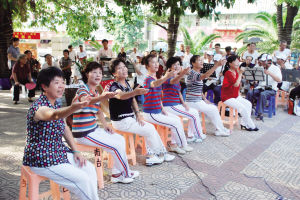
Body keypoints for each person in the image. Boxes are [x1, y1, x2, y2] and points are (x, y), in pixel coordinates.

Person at [23, 67, 99, 200]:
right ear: (44, 87)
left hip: (58, 152)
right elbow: (54, 115)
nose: (62, 86)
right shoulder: (38, 107)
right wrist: (73, 107)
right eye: (57, 82)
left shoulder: (56, 103)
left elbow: (64, 127)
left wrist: (76, 151)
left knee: (89, 168)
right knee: (82, 179)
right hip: (42, 158)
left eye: (63, 82)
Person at [72, 62, 139, 183]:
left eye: (100, 73)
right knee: (115, 146)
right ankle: (125, 174)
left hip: (93, 130)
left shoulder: (96, 92)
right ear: (87, 74)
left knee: (120, 139)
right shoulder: (82, 89)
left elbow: (98, 111)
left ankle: (117, 173)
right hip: (83, 133)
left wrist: (106, 125)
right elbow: (86, 101)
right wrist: (102, 97)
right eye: (94, 72)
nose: (98, 75)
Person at [107, 59, 175, 165]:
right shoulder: (114, 86)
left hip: (129, 118)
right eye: (119, 68)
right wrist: (135, 92)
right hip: (121, 121)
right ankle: (153, 156)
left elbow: (132, 98)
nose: (124, 69)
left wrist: (138, 114)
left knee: (149, 128)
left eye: (124, 66)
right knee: (149, 129)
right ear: (114, 73)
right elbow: (121, 96)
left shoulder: (126, 84)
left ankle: (159, 154)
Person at [142, 54, 193, 154]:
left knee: (177, 120)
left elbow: (158, 96)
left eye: (157, 62)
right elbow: (154, 84)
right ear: (147, 66)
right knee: (175, 123)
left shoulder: (155, 77)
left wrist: (163, 110)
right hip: (151, 114)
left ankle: (179, 144)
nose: (156, 64)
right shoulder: (148, 79)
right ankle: (180, 145)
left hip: (158, 111)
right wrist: (166, 77)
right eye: (153, 62)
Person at [162, 57, 206, 142]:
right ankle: (197, 136)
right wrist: (182, 73)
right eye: (174, 65)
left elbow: (178, 92)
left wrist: (184, 103)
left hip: (176, 105)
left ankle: (194, 135)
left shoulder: (176, 76)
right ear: (170, 67)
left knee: (194, 112)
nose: (177, 66)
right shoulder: (168, 76)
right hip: (170, 106)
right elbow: (173, 81)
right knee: (193, 114)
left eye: (178, 64)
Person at [186, 55, 230, 136]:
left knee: (213, 108)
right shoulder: (192, 73)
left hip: (197, 101)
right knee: (213, 109)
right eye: (199, 60)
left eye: (202, 60)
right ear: (193, 63)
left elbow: (198, 89)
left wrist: (205, 99)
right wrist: (217, 65)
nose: (201, 62)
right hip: (193, 102)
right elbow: (205, 76)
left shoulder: (196, 72)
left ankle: (220, 129)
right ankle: (220, 129)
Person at [221, 55, 258, 131]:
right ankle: (251, 125)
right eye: (236, 61)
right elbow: (236, 84)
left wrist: (239, 94)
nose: (238, 63)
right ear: (230, 63)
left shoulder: (236, 72)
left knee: (248, 104)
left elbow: (238, 86)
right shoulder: (228, 73)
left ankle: (244, 124)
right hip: (227, 97)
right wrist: (240, 73)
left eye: (238, 61)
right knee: (242, 108)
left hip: (235, 96)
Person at [255, 54, 282, 121]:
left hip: (271, 89)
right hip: (261, 87)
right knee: (250, 92)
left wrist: (270, 73)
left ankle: (260, 114)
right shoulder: (261, 67)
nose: (262, 63)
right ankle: (248, 110)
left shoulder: (276, 68)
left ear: (269, 61)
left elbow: (279, 80)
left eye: (264, 61)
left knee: (263, 94)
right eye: (262, 61)